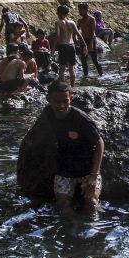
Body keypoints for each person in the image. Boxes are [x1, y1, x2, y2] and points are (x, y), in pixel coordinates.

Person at [45, 81, 105, 210]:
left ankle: (94, 229)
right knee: (62, 205)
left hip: (87, 170)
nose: (61, 105)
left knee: (91, 203)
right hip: (64, 170)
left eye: (65, 101)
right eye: (57, 102)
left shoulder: (81, 118)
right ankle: (67, 228)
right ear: (48, 99)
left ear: (71, 99)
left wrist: (94, 175)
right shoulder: (47, 113)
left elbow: (99, 143)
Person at [54, 4, 88, 87]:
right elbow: (79, 35)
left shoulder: (58, 22)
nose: (57, 15)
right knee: (71, 69)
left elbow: (58, 36)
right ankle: (72, 87)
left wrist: (53, 47)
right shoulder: (72, 22)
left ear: (59, 13)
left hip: (63, 46)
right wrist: (85, 45)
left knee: (62, 69)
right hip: (71, 46)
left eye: (58, 13)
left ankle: (62, 87)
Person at [77, 3, 103, 77]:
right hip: (83, 40)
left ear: (86, 10)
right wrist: (76, 38)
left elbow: (92, 31)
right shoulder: (80, 21)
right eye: (79, 10)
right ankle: (85, 75)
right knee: (83, 60)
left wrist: (91, 43)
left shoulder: (91, 19)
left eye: (81, 10)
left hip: (90, 40)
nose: (79, 12)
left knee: (95, 60)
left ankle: (100, 74)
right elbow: (77, 30)